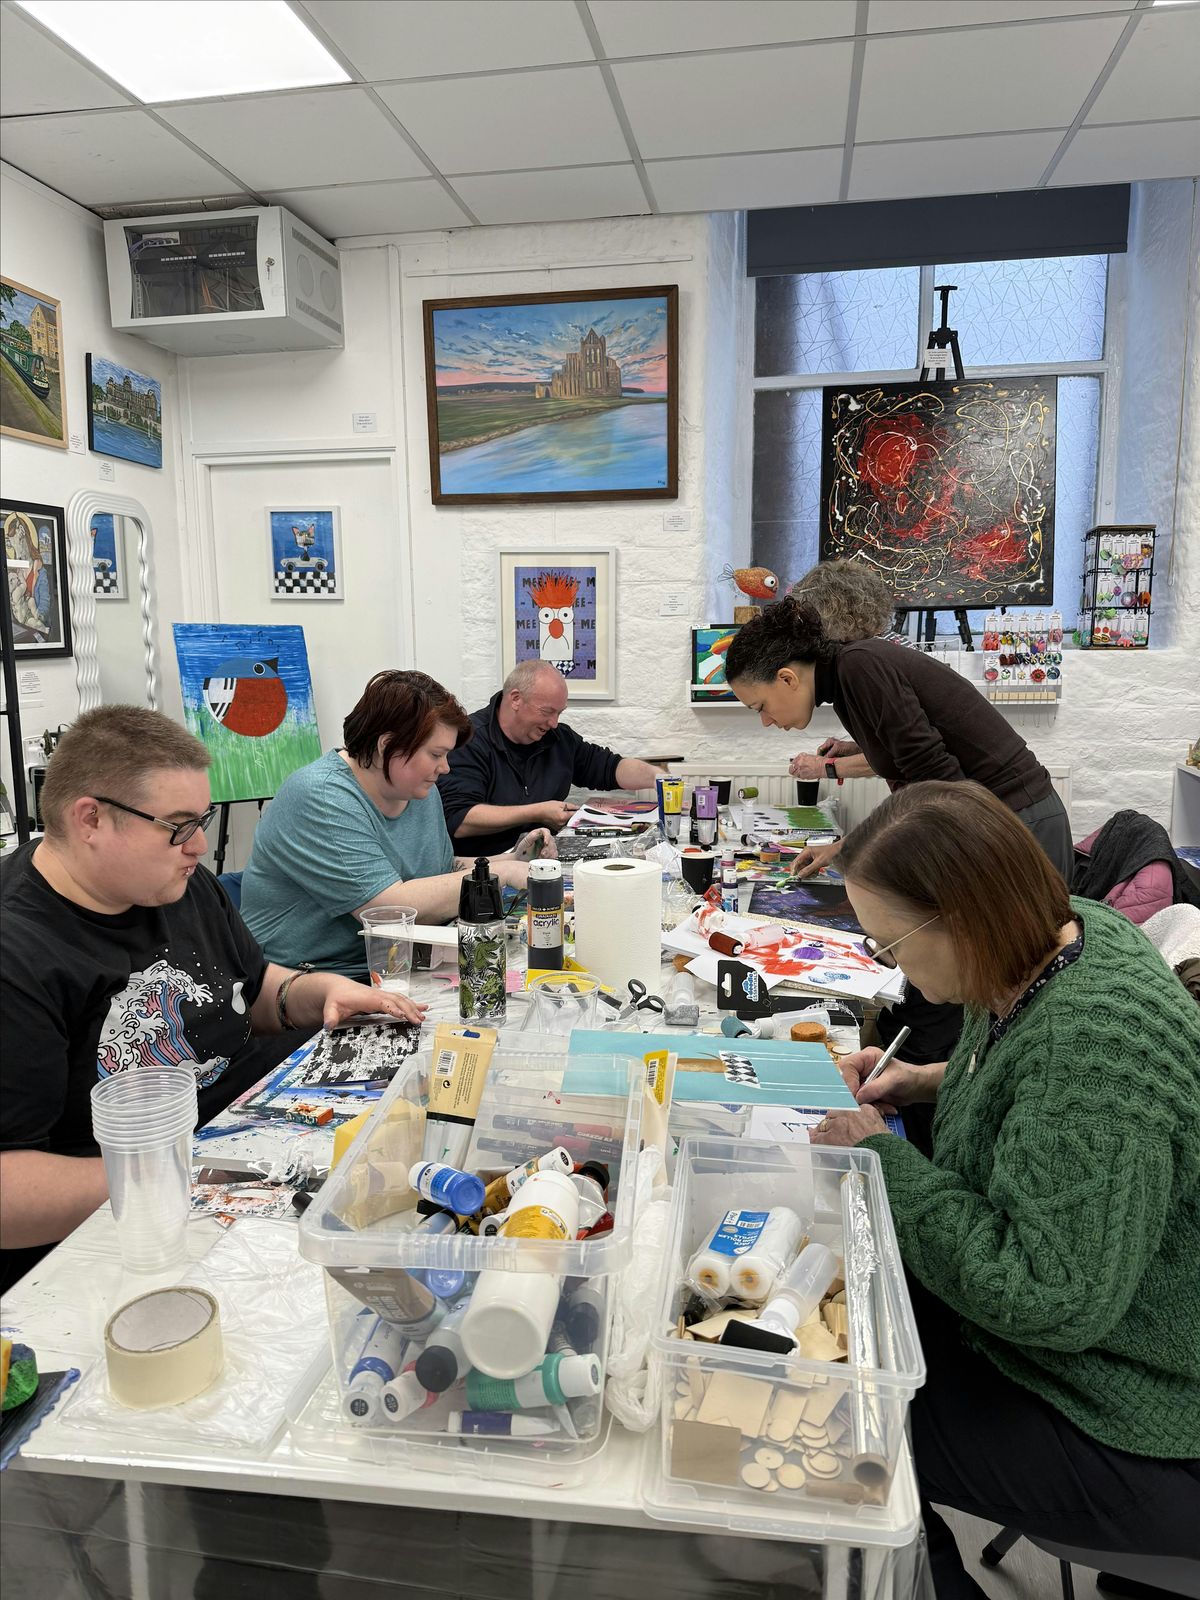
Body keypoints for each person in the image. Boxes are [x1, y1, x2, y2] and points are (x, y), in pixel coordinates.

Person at [809, 782, 1200, 1600]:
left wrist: (884, 1157)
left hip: (1144, 1403)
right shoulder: (1066, 935)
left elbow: (1049, 1297)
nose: (891, 967)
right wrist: (926, 1080)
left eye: (890, 944)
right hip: (1105, 1328)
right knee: (852, 1333)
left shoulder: (1092, 1044)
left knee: (843, 1430)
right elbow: (1027, 1082)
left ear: (962, 919)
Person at [0, 706, 422, 1295]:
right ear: (90, 819)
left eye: (202, 820)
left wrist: (317, 990)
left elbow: (251, 990)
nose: (200, 845)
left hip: (249, 1139)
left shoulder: (177, 881)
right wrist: (187, 1177)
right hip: (135, 1230)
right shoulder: (17, 952)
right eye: (177, 826)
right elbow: (9, 1191)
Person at [724, 595, 1073, 880]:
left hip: (1019, 821)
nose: (766, 721)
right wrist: (845, 848)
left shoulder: (859, 667)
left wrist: (858, 849)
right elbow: (910, 757)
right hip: (994, 818)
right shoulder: (845, 679)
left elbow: (935, 783)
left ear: (787, 678)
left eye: (761, 707)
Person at [240, 669, 551, 977]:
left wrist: (513, 859)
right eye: (436, 754)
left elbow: (440, 871)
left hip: (394, 963)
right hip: (308, 978)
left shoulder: (416, 789)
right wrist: (501, 875)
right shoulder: (321, 797)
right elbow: (389, 910)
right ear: (387, 745)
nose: (445, 767)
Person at [438, 660, 666, 855]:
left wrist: (660, 778)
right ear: (516, 699)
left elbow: (609, 767)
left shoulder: (558, 738)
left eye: (559, 713)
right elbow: (459, 819)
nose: (554, 723)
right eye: (547, 712)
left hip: (544, 859)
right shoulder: (468, 739)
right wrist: (538, 811)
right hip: (485, 867)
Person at [787, 559, 907, 784]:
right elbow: (896, 741)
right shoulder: (874, 650)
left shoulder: (862, 660)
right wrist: (857, 748)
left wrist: (824, 767)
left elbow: (904, 753)